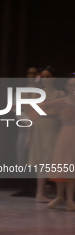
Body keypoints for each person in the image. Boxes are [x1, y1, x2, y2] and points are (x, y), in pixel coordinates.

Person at [29, 78, 75, 210]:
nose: (73, 88)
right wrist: (32, 118)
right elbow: (44, 106)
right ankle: (60, 196)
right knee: (63, 166)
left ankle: (70, 200)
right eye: (71, 85)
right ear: (67, 86)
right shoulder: (63, 101)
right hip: (65, 135)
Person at [28, 66, 65, 203]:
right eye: (42, 77)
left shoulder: (60, 94)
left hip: (53, 127)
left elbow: (62, 114)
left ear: (53, 78)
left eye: (47, 76)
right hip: (40, 127)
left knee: (51, 158)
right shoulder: (37, 93)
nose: (44, 79)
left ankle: (55, 191)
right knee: (41, 160)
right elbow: (32, 114)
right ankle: (40, 192)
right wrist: (28, 134)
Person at [11, 66, 40, 197]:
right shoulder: (21, 91)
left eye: (34, 73)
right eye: (29, 73)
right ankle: (25, 187)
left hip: (38, 128)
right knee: (21, 158)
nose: (31, 75)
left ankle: (36, 187)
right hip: (23, 128)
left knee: (36, 158)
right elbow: (14, 109)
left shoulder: (41, 90)